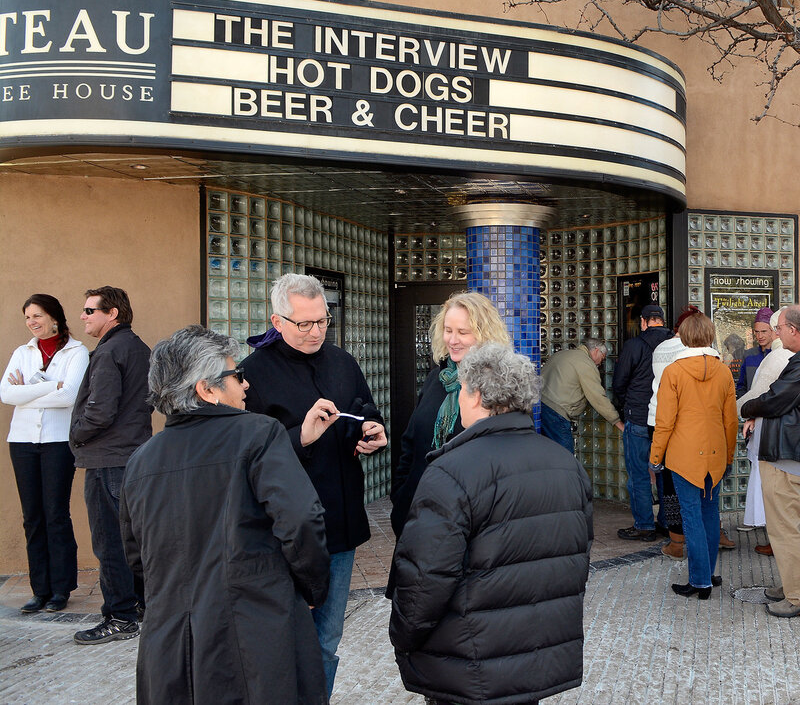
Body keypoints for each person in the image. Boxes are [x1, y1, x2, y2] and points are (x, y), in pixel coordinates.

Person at [120, 325, 329, 704]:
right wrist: (313, 587)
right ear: (207, 389)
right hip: (254, 633)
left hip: (171, 644)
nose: (245, 385)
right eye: (237, 376)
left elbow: (137, 556)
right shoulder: (258, 434)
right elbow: (300, 519)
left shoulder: (140, 461)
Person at [390, 343, 592, 705]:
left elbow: (425, 579)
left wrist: (403, 638)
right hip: (534, 657)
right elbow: (576, 560)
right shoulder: (567, 465)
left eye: (463, 390)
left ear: (478, 395)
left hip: (468, 662)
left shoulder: (450, 472)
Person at [240, 273, 387, 696]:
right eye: (304, 323)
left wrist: (371, 430)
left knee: (326, 639)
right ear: (277, 321)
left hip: (339, 524)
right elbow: (248, 460)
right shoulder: (251, 375)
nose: (315, 332)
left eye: (322, 321)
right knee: (285, 641)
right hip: (282, 533)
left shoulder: (342, 361)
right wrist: (300, 436)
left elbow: (364, 407)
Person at [740, 305, 800, 618]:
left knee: (784, 529)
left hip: (787, 453)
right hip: (790, 450)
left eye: (779, 328)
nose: (776, 334)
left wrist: (747, 408)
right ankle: (793, 583)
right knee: (787, 525)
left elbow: (775, 398)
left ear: (793, 330)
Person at [390, 291, 511, 540]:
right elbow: (411, 441)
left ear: (484, 334)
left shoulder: (500, 386)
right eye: (448, 330)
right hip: (417, 517)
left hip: (466, 525)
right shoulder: (438, 378)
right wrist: (401, 497)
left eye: (462, 332)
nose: (452, 340)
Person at [69, 286, 152, 645]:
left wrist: (76, 435)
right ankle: (144, 606)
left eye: (90, 311)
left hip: (108, 460)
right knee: (135, 539)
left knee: (110, 543)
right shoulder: (138, 348)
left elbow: (100, 411)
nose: (83, 316)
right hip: (134, 456)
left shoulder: (109, 352)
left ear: (112, 313)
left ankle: (119, 617)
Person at [2, 294, 87, 614]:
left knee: (55, 513)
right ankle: (40, 589)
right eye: (27, 318)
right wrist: (49, 386)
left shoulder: (76, 352)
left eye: (37, 316)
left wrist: (30, 391)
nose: (32, 322)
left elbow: (70, 396)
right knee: (32, 517)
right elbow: (6, 393)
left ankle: (61, 589)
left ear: (54, 317)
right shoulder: (22, 352)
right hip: (22, 441)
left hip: (57, 441)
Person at [649, 312, 737, 600]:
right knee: (710, 514)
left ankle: (700, 582)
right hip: (715, 454)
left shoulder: (674, 372)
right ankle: (708, 573)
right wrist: (729, 455)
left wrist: (655, 455)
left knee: (691, 517)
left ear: (684, 336)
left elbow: (665, 421)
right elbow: (730, 420)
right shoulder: (723, 371)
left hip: (683, 456)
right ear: (710, 335)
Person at [737, 309, 800, 556]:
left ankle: (779, 542)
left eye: (774, 329)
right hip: (794, 436)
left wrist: (737, 411)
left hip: (777, 436)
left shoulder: (781, 356)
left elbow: (763, 396)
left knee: (776, 494)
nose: (771, 334)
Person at [611, 304, 675, 541]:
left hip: (638, 416)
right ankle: (668, 523)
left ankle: (645, 525)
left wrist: (625, 404)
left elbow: (619, 382)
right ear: (662, 321)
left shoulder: (634, 345)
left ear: (644, 321)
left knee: (638, 473)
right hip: (665, 419)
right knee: (665, 473)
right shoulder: (675, 345)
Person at [649, 305, 703, 559]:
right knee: (696, 484)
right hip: (684, 423)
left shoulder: (660, 348)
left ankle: (676, 540)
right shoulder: (691, 352)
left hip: (657, 418)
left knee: (668, 484)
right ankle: (704, 536)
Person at [539, 337, 623, 454]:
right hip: (556, 412)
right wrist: (617, 422)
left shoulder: (562, 354)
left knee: (547, 453)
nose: (600, 363)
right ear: (596, 350)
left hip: (538, 407)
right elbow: (597, 397)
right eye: (602, 358)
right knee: (565, 457)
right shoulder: (585, 363)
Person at [735, 307, 776, 397]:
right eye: (757, 332)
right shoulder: (748, 355)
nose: (760, 336)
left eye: (764, 331)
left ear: (772, 331)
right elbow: (741, 386)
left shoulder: (779, 355)